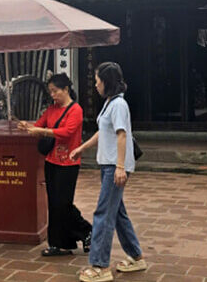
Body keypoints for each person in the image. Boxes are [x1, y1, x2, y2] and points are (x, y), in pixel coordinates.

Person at [69, 62, 146, 282]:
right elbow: (103, 133)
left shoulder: (119, 105)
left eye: (97, 81)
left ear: (107, 82)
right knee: (117, 213)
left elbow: (122, 135)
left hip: (115, 166)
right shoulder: (109, 103)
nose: (95, 85)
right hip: (109, 165)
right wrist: (81, 148)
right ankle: (136, 256)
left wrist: (121, 167)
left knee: (103, 213)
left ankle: (100, 266)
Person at [18, 73, 92, 257]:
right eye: (50, 91)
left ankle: (88, 231)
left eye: (55, 91)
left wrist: (40, 130)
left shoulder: (76, 110)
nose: (52, 95)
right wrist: (27, 127)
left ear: (66, 89)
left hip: (69, 162)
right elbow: (39, 125)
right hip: (51, 161)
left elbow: (66, 132)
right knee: (54, 204)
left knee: (63, 204)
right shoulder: (51, 109)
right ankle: (59, 244)